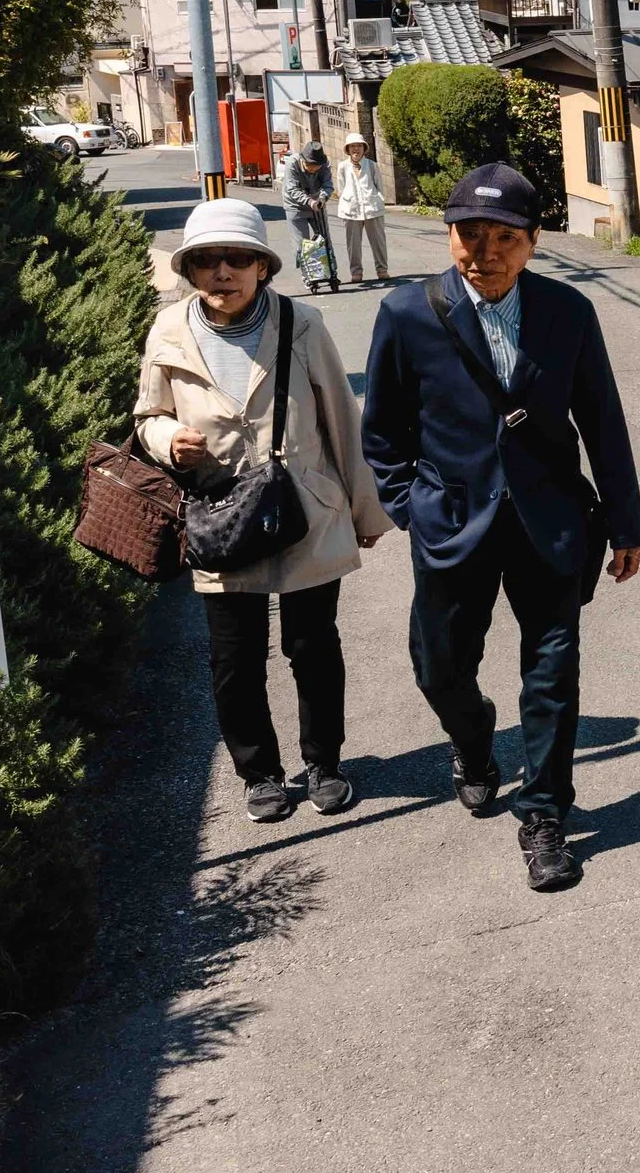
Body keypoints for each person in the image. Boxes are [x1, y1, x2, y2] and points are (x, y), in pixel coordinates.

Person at [361, 162, 640, 892]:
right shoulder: (407, 314)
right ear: (447, 234)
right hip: (450, 521)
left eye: (503, 237)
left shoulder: (568, 312)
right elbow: (384, 433)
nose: (483, 251)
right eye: (468, 234)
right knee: (440, 665)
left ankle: (544, 814)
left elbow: (603, 423)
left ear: (533, 241)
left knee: (552, 672)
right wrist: (410, 504)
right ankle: (473, 739)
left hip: (549, 521)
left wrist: (624, 522)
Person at [135, 198, 391, 824]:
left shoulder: (301, 324)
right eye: (207, 261)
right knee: (234, 657)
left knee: (312, 646)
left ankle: (325, 763)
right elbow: (148, 416)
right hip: (220, 513)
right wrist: (170, 440)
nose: (223, 272)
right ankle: (261, 774)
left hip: (306, 507)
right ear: (190, 270)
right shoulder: (168, 331)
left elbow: (342, 420)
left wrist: (365, 513)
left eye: (237, 259)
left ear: (262, 267)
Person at [334, 130, 390, 284]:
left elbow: (380, 186)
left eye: (359, 146)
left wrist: (378, 200)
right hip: (351, 210)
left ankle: (382, 269)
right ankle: (356, 272)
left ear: (364, 148)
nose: (355, 149)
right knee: (353, 245)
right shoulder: (342, 167)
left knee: (378, 241)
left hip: (372, 208)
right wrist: (348, 199)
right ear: (347, 149)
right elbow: (341, 188)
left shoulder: (372, 165)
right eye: (352, 146)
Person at [279, 140, 336, 287]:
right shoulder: (293, 163)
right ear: (303, 160)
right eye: (310, 165)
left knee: (324, 240)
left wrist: (322, 198)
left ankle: (331, 271)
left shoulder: (323, 164)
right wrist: (309, 201)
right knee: (301, 244)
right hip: (295, 206)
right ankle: (308, 276)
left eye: (316, 166)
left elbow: (328, 185)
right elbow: (292, 189)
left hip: (317, 204)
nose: (313, 168)